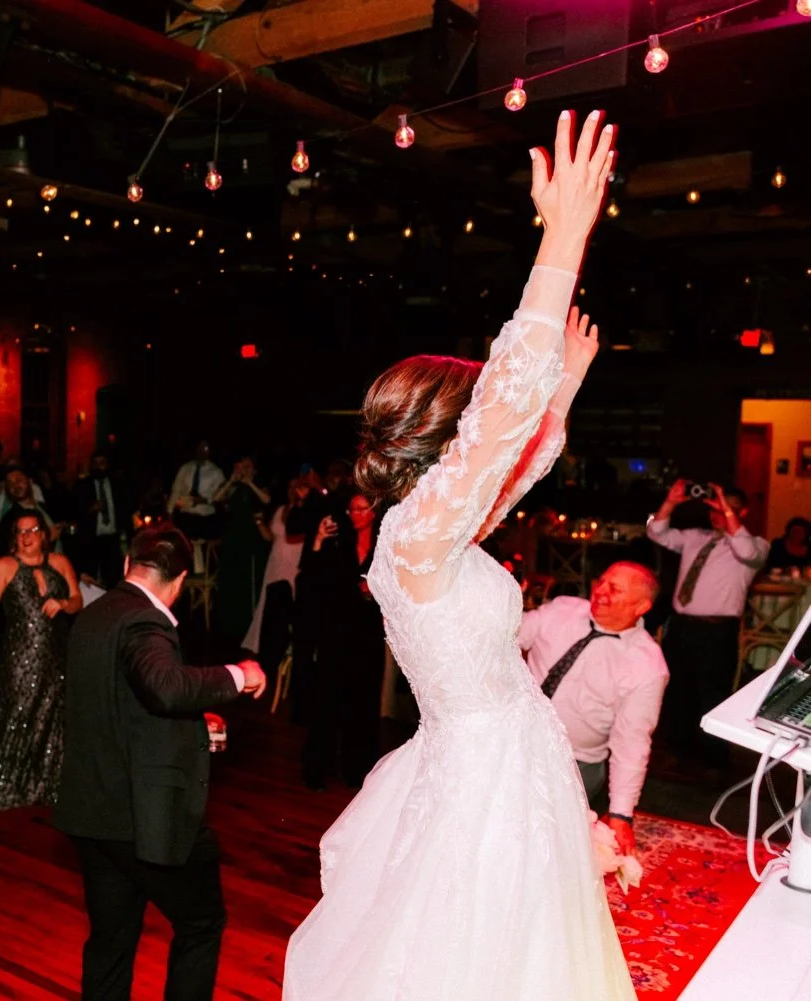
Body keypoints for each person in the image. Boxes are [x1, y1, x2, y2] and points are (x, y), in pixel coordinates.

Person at [284, 110, 635, 999]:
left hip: (502, 759)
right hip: (484, 781)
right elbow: (500, 427)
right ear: (450, 435)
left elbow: (508, 467)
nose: (485, 433)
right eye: (473, 421)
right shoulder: (415, 534)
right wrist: (561, 240)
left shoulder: (430, 526)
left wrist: (561, 395)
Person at [54, 524, 267, 1001]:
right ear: (180, 581)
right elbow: (165, 686)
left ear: (129, 565)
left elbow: (120, 705)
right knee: (202, 923)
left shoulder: (93, 615)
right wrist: (240, 674)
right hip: (143, 820)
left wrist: (193, 726)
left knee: (111, 940)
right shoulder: (144, 623)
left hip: (93, 813)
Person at [519, 561, 668, 857]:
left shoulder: (647, 665)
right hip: (513, 738)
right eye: (602, 581)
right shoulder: (560, 611)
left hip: (573, 763)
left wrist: (621, 814)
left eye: (615, 589)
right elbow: (503, 637)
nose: (600, 591)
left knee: (537, 840)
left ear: (641, 606)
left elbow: (632, 742)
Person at [648, 480, 768, 770]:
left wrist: (727, 511)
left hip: (716, 632)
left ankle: (714, 760)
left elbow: (747, 552)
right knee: (677, 689)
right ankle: (677, 750)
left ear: (743, 512)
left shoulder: (755, 545)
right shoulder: (695, 536)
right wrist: (671, 503)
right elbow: (656, 532)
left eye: (726, 508)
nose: (716, 513)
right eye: (713, 508)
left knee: (712, 692)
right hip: (682, 626)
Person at [0, 510, 81, 808]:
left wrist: (64, 603)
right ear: (14, 537)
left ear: (43, 534)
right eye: (20, 531)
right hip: (21, 654)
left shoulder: (59, 563)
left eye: (32, 530)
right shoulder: (3, 566)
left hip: (57, 653)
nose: (27, 536)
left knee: (53, 714)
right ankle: (8, 783)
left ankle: (45, 782)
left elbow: (77, 600)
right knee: (19, 712)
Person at [297, 491, 385, 790]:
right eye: (352, 509)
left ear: (373, 512)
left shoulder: (385, 545)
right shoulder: (339, 539)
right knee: (327, 699)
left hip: (368, 631)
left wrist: (376, 591)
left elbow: (399, 584)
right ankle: (316, 767)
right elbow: (311, 575)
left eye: (361, 509)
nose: (355, 515)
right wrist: (319, 540)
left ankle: (357, 769)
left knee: (362, 701)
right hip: (337, 628)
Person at [241, 476, 309, 677]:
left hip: (293, 564)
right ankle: (261, 644)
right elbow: (270, 537)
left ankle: (284, 647)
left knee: (287, 603)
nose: (292, 490)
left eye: (296, 487)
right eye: (290, 487)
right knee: (267, 602)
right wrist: (259, 521)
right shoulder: (280, 510)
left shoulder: (306, 514)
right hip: (275, 562)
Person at [212, 455, 270, 641]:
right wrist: (231, 480)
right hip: (233, 541)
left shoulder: (259, 487)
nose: (244, 470)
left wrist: (249, 483)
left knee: (250, 583)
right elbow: (216, 498)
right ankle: (231, 625)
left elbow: (267, 500)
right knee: (232, 582)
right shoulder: (233, 488)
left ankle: (250, 625)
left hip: (251, 543)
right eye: (241, 466)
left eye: (248, 467)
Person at [70, 450, 125, 587]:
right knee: (92, 578)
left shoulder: (117, 484)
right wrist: (89, 509)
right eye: (96, 463)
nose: (99, 467)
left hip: (112, 538)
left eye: (102, 463)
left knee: (112, 577)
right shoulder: (82, 485)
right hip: (91, 539)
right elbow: (72, 511)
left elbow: (124, 509)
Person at [168, 440, 225, 539]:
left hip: (205, 519)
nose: (202, 451)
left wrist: (204, 500)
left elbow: (222, 496)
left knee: (201, 551)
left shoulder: (216, 472)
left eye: (205, 448)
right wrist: (170, 512)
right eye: (200, 448)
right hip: (185, 517)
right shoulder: (185, 468)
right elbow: (176, 491)